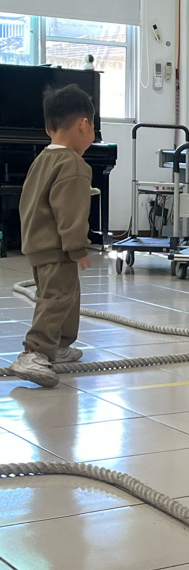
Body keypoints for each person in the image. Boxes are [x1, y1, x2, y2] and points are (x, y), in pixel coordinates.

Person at [9, 84, 95, 389]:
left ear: (49, 128)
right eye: (93, 127)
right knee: (57, 298)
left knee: (66, 295)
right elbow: (70, 210)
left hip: (38, 243)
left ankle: (58, 346)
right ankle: (34, 352)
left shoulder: (43, 158)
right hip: (58, 245)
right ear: (83, 124)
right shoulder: (74, 164)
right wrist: (77, 246)